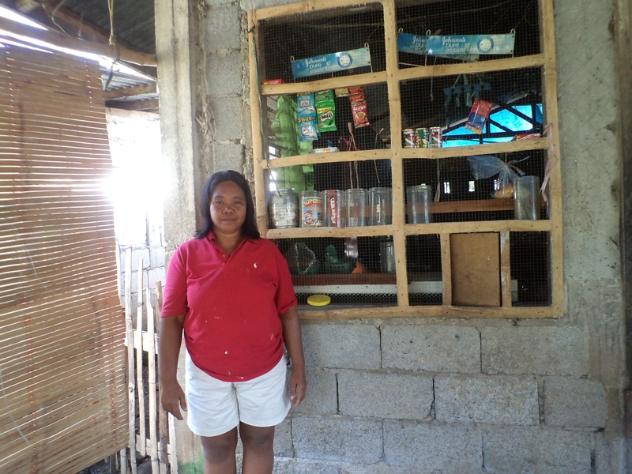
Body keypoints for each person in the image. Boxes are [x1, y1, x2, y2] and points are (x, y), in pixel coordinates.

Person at [159, 170, 306, 474]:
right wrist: (167, 381)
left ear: (247, 208)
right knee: (217, 447)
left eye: (237, 202)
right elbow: (172, 319)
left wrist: (299, 369)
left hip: (264, 369)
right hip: (206, 373)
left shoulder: (268, 254)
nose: (228, 208)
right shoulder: (186, 255)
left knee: (260, 441)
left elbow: (288, 312)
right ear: (207, 206)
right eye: (220, 201)